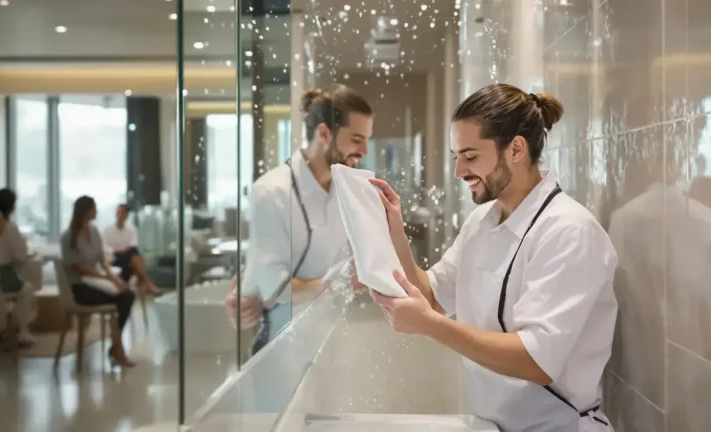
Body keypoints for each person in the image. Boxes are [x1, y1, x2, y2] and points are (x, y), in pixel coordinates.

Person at [369, 84, 618, 431]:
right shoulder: (481, 223)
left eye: (470, 157)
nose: (458, 171)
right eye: (457, 156)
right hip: (494, 424)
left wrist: (430, 326)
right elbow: (432, 297)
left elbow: (536, 360)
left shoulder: (569, 231)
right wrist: (394, 230)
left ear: (516, 149)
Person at [225, 84, 372, 353]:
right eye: (356, 139)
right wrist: (335, 283)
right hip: (280, 345)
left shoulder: (348, 191)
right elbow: (276, 287)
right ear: (324, 133)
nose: (364, 150)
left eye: (366, 140)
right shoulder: (271, 192)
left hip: (331, 338)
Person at [60, 196, 136, 367]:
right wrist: (106, 278)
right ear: (86, 210)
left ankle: (115, 347)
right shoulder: (68, 237)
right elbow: (79, 268)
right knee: (124, 298)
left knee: (128, 294)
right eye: (94, 208)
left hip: (95, 282)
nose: (96, 211)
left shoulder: (94, 232)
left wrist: (115, 279)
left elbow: (102, 260)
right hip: (80, 288)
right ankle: (117, 349)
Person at [0, 188, 37, 345]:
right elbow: (21, 256)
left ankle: (6, 329)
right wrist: (31, 255)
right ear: (10, 207)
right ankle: (23, 330)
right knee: (27, 288)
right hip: (2, 279)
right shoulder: (10, 227)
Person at [102, 204, 160, 295]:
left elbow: (133, 245)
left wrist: (124, 251)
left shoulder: (132, 229)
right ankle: (148, 283)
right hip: (114, 259)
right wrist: (116, 251)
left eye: (122, 212)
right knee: (134, 255)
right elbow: (104, 248)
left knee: (133, 253)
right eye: (118, 212)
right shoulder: (107, 229)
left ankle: (146, 283)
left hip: (128, 260)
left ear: (126, 215)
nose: (120, 214)